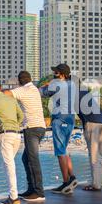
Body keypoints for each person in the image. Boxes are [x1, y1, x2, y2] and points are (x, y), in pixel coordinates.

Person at [4, 71, 47, 202]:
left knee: (33, 160)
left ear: (19, 81)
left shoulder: (23, 90)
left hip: (32, 128)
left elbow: (7, 94)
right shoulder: (34, 89)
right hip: (40, 127)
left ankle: (39, 192)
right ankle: (31, 189)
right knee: (25, 158)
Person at [39, 64, 78, 195]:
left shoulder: (56, 84)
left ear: (61, 74)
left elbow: (42, 93)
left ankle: (66, 183)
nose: (53, 73)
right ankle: (72, 176)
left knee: (60, 152)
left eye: (55, 72)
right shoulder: (72, 84)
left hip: (59, 119)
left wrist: (45, 84)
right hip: (70, 118)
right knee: (65, 149)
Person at [78, 83, 102, 191]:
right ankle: (98, 182)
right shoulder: (84, 92)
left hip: (93, 123)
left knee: (94, 155)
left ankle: (96, 185)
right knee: (99, 154)